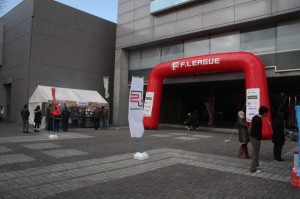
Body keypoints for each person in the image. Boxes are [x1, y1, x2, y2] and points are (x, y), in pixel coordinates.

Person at [249, 105, 269, 173]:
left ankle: (256, 164)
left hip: (252, 136)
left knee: (256, 152)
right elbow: (257, 131)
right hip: (255, 137)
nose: (267, 114)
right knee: (255, 153)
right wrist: (259, 139)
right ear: (263, 112)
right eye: (266, 113)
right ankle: (253, 169)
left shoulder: (255, 117)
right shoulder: (258, 119)